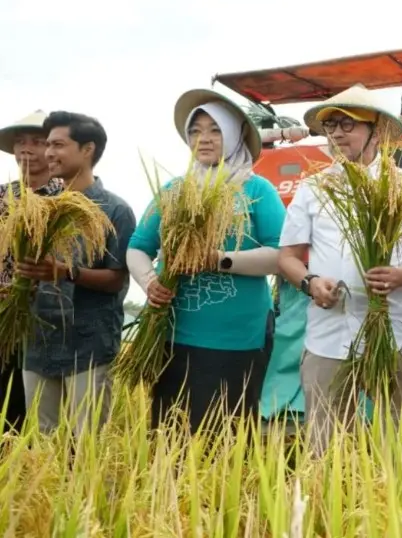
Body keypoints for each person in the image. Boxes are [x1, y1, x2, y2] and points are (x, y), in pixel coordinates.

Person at [278, 85, 402, 455]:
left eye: (348, 124)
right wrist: (310, 283)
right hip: (329, 334)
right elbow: (287, 257)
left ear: (377, 131)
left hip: (393, 333)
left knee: (395, 443)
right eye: (331, 125)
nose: (336, 133)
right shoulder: (313, 188)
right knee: (324, 445)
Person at [127, 89, 285, 434]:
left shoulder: (257, 190)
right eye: (195, 131)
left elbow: (281, 255)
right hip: (173, 333)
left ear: (234, 135)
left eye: (215, 130)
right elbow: (138, 246)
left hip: (239, 337)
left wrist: (219, 260)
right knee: (171, 432)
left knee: (227, 434)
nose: (204, 139)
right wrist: (149, 282)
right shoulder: (175, 190)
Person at [16, 111, 136, 438]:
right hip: (39, 340)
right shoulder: (38, 207)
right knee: (41, 441)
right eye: (48, 145)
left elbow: (117, 279)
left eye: (58, 145)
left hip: (89, 343)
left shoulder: (115, 210)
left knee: (87, 442)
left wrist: (66, 272)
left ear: (87, 150)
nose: (48, 153)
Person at [0, 111, 64, 433]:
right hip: (4, 312)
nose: (26, 149)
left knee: (36, 406)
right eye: (20, 142)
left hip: (47, 316)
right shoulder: (3, 195)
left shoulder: (66, 198)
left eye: (36, 142)